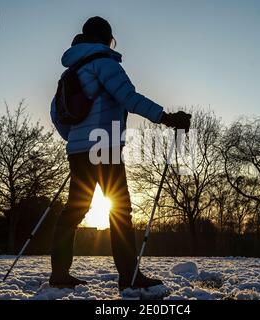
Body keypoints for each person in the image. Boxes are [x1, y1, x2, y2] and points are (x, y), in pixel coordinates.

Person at [50, 16, 191, 290]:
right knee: (120, 210)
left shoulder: (70, 72)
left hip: (78, 150)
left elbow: (56, 114)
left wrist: (76, 140)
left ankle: (59, 274)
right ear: (107, 39)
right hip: (105, 146)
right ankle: (129, 276)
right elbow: (129, 98)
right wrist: (166, 117)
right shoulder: (104, 63)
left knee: (74, 210)